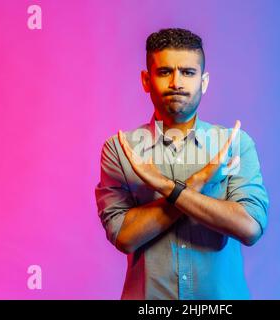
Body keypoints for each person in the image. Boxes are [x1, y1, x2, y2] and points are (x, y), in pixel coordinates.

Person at [95, 28, 269, 299]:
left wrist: (166, 187)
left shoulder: (235, 144)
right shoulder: (120, 150)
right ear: (146, 79)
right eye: (165, 72)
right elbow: (124, 236)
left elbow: (250, 228)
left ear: (204, 81)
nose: (176, 82)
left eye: (188, 72)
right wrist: (199, 182)